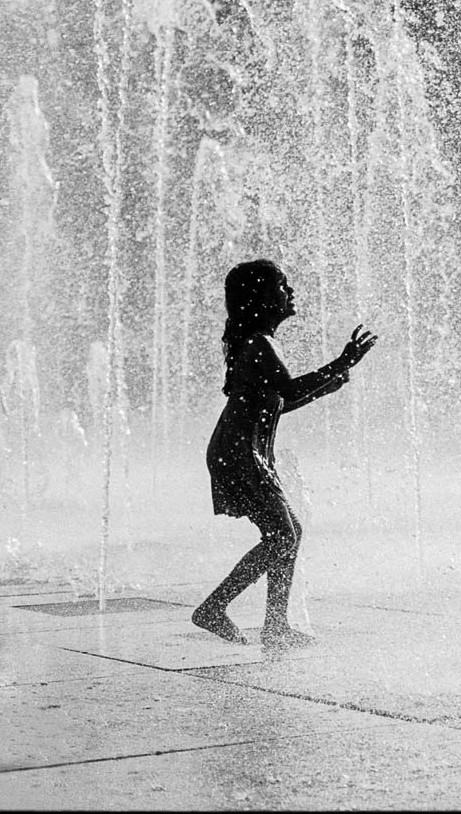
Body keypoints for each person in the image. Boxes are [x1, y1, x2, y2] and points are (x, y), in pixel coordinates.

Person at [191, 259, 378, 650]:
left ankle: (276, 625)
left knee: (289, 533)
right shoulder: (258, 344)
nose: (290, 291)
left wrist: (324, 388)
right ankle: (215, 607)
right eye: (282, 285)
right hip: (239, 452)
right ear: (259, 297)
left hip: (246, 450)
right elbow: (289, 390)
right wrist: (342, 362)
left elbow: (278, 402)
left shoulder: (262, 342)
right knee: (281, 535)